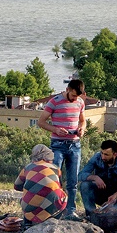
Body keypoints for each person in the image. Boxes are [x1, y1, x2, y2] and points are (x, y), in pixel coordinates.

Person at [37, 78, 86, 220]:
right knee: (54, 179)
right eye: (73, 95)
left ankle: (70, 211)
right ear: (67, 90)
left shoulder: (80, 102)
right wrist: (55, 130)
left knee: (73, 181)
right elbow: (41, 122)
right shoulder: (54, 102)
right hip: (57, 145)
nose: (75, 98)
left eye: (77, 96)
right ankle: (54, 211)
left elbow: (82, 121)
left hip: (75, 145)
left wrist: (82, 129)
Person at [13, 143, 67, 226]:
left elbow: (16, 186)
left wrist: (31, 187)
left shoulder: (28, 167)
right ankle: (54, 221)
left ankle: (28, 224)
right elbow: (59, 186)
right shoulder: (56, 168)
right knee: (62, 195)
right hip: (52, 204)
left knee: (25, 198)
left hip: (31, 207)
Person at [78, 139, 117, 217]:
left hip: (116, 198)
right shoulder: (97, 157)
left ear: (115, 154)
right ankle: (91, 215)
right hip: (100, 193)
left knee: (114, 213)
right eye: (102, 153)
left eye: (106, 155)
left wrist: (116, 198)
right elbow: (81, 175)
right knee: (85, 185)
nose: (103, 157)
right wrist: (94, 177)